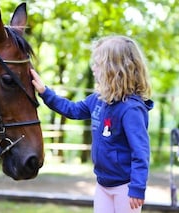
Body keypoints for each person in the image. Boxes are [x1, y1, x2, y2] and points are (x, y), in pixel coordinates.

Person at [31, 35, 154, 213]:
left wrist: (137, 188)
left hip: (124, 188)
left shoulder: (131, 109)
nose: (93, 68)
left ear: (114, 70)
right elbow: (72, 110)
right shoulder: (97, 100)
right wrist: (44, 92)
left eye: (98, 64)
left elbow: (140, 151)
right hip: (103, 184)